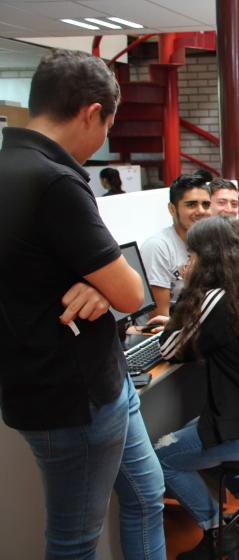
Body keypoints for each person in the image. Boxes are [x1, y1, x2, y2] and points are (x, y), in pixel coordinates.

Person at [0, 48, 165, 559]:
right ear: (93, 112)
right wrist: (108, 283)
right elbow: (132, 292)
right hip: (76, 397)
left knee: (146, 493)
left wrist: (98, 282)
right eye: (108, 126)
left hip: (73, 380)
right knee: (74, 540)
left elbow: (46, 266)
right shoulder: (55, 181)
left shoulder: (10, 164)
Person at [153, 217, 239, 560]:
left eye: (192, 256)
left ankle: (218, 531)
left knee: (160, 458)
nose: (188, 264)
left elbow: (168, 349)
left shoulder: (213, 298)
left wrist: (188, 295)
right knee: (200, 428)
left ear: (208, 258)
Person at [140, 171, 212, 317]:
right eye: (191, 205)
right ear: (172, 209)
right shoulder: (158, 247)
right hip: (170, 332)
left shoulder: (211, 243)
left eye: (206, 204)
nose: (201, 211)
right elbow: (159, 319)